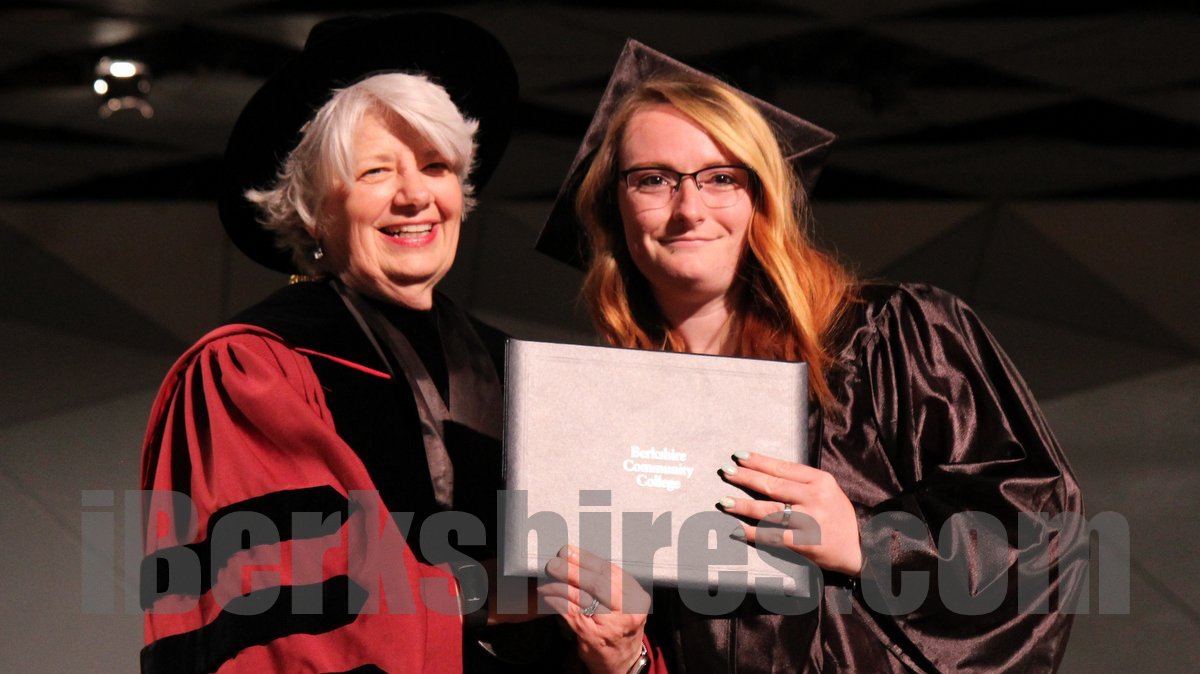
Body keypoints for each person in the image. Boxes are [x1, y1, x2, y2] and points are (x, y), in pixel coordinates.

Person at [535, 41, 1086, 673]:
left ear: (763, 198)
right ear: (613, 205)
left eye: (721, 178)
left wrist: (869, 543)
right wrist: (623, 658)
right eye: (653, 179)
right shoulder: (605, 417)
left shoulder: (891, 336)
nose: (689, 208)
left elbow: (1039, 528)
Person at [139, 13, 559, 673]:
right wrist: (492, 592)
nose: (415, 196)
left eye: (436, 166)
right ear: (312, 207)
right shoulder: (255, 368)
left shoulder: (524, 375)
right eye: (375, 172)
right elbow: (282, 616)